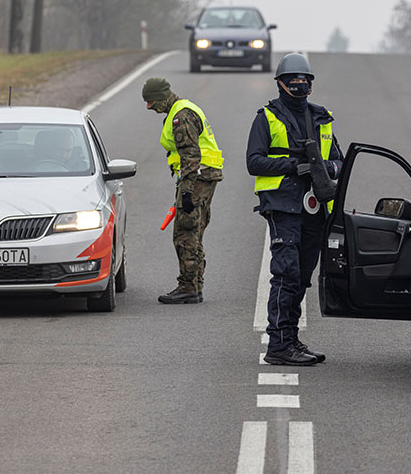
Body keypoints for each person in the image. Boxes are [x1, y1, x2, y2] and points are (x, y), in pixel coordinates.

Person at [246, 53, 343, 366]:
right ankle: (277, 344)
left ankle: (291, 340)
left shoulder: (322, 118)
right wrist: (294, 167)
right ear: (280, 84)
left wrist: (324, 166)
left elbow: (341, 161)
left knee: (301, 276)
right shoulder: (267, 117)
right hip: (283, 205)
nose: (299, 85)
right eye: (293, 80)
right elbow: (254, 161)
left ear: (311, 84)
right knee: (286, 272)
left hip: (315, 207)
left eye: (305, 80)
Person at [142, 77, 224, 304]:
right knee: (194, 232)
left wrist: (186, 191)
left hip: (197, 178)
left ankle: (188, 286)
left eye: (151, 101)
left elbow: (190, 156)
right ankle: (195, 286)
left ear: (163, 96)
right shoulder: (182, 109)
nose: (149, 107)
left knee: (185, 233)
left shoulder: (181, 117)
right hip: (203, 177)